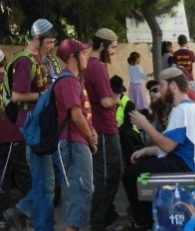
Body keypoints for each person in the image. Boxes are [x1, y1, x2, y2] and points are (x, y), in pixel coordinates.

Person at [125, 67, 195, 230]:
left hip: (187, 165)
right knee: (141, 167)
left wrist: (144, 124)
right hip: (186, 162)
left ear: (173, 85)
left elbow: (167, 145)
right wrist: (146, 151)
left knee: (131, 174)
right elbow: (171, 143)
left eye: (161, 85)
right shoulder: (187, 107)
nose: (159, 90)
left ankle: (145, 222)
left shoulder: (182, 109)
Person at [3, 19, 58, 231]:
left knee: (49, 181)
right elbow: (17, 95)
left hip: (39, 123)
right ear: (37, 38)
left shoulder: (38, 58)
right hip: (31, 125)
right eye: (49, 42)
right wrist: (43, 94)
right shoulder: (25, 61)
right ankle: (40, 224)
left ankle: (22, 209)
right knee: (45, 184)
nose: (51, 46)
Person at [0, 49, 32, 231]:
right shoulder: (13, 80)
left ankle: (2, 218)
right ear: (5, 61)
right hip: (17, 136)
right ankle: (32, 214)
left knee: (0, 179)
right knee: (26, 175)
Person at [81, 28, 122, 231]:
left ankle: (105, 214)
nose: (114, 51)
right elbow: (106, 101)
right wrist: (118, 99)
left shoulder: (91, 65)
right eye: (113, 47)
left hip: (103, 128)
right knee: (107, 175)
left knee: (107, 174)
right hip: (104, 129)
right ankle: (98, 220)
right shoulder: (96, 67)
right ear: (103, 45)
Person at [54, 39, 97, 231]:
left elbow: (84, 115)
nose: (86, 56)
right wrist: (90, 137)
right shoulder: (68, 81)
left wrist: (91, 135)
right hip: (73, 142)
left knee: (81, 189)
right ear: (73, 57)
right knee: (79, 190)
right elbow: (76, 115)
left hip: (78, 142)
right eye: (83, 53)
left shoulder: (74, 80)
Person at [110, 75, 144, 167]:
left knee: (126, 135)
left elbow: (128, 124)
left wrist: (116, 132)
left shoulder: (128, 103)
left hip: (130, 134)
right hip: (114, 133)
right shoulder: (108, 101)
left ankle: (131, 165)